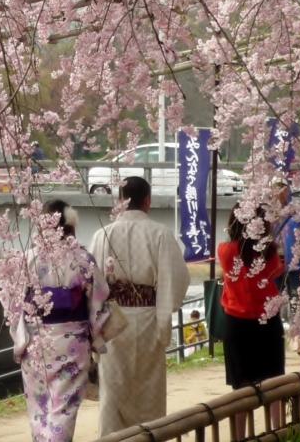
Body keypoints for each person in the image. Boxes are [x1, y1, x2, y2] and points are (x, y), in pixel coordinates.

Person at [88, 176, 190, 436]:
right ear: (147, 201)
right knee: (148, 391)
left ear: (119, 201)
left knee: (113, 391)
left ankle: (113, 439)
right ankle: (149, 437)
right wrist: (164, 313)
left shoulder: (102, 235)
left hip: (111, 323)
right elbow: (176, 278)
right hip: (147, 319)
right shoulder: (160, 234)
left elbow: (90, 284)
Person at [10, 199, 114, 441]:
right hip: (71, 343)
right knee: (63, 410)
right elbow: (98, 301)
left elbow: (13, 306)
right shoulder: (82, 259)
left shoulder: (26, 259)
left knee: (39, 409)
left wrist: (20, 338)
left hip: (35, 342)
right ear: (70, 225)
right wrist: (95, 335)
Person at [219, 204, 285, 438]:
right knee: (274, 383)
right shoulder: (270, 253)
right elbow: (277, 271)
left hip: (237, 324)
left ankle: (239, 436)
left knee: (241, 387)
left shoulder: (225, 251)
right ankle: (278, 432)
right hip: (268, 321)